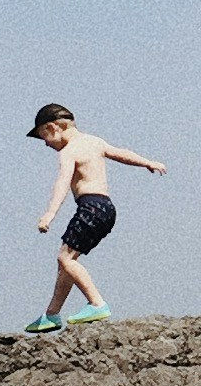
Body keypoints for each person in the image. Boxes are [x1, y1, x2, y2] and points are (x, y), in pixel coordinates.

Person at [25, 101, 166, 333]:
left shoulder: (69, 151)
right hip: (106, 209)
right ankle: (52, 314)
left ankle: (97, 303)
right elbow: (121, 153)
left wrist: (49, 214)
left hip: (90, 206)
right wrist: (147, 162)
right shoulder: (94, 142)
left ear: (53, 128)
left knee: (65, 259)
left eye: (44, 137)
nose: (46, 145)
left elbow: (62, 183)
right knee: (68, 261)